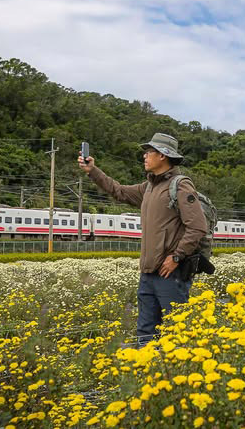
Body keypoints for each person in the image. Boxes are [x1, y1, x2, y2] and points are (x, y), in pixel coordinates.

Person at [78, 132, 207, 347]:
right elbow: (118, 191)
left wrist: (176, 257)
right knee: (145, 333)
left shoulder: (180, 185)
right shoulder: (148, 187)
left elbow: (197, 226)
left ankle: (177, 376)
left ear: (163, 155)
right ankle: (147, 373)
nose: (145, 156)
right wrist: (93, 171)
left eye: (149, 152)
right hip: (148, 273)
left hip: (171, 274)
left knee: (175, 332)